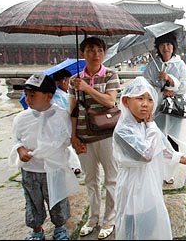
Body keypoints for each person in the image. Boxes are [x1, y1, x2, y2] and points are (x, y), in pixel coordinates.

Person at [113, 76, 186, 240]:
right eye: (140, 98)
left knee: (150, 226)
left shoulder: (144, 124)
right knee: (132, 228)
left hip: (149, 183)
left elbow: (163, 149)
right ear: (126, 101)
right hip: (132, 186)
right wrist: (152, 126)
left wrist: (184, 159)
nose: (145, 104)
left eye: (149, 99)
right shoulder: (123, 131)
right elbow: (146, 154)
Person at [9, 73, 79, 241]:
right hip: (30, 170)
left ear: (49, 96)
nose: (28, 99)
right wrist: (20, 150)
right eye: (26, 95)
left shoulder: (61, 116)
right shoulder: (21, 118)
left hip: (54, 169)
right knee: (33, 201)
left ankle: (60, 227)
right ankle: (36, 229)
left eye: (32, 95)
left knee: (58, 199)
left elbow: (66, 139)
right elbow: (16, 139)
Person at [68, 37, 120, 240]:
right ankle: (93, 218)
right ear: (83, 53)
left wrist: (88, 89)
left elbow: (110, 100)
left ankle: (109, 219)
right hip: (84, 135)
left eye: (99, 50)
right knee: (90, 179)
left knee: (111, 179)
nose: (95, 54)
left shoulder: (110, 74)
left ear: (104, 53)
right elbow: (71, 110)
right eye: (90, 50)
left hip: (107, 134)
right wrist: (73, 137)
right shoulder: (74, 80)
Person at [143, 32, 186, 184]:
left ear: (174, 47)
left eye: (169, 44)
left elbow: (184, 86)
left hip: (174, 108)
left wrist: (170, 80)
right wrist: (160, 90)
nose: (166, 48)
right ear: (158, 47)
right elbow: (145, 85)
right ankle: (158, 170)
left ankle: (169, 172)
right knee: (157, 138)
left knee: (172, 140)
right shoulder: (153, 65)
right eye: (162, 44)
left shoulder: (180, 65)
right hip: (158, 108)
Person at [52, 68, 82, 175]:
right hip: (62, 125)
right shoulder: (57, 96)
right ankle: (74, 166)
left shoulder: (63, 94)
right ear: (64, 81)